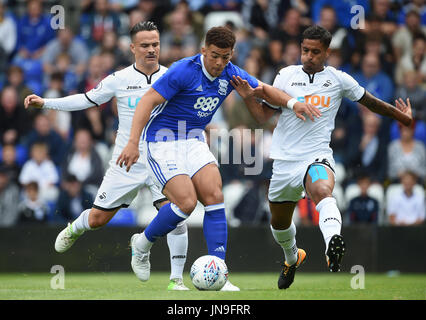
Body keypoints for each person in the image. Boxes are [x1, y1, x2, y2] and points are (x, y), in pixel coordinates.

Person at [116, 26, 319, 291]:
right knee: (187, 203)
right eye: (214, 56)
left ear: (231, 54)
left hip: (194, 140)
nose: (219, 63)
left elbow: (265, 90)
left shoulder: (231, 72)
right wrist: (132, 142)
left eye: (225, 57)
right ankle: (142, 243)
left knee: (214, 196)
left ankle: (219, 274)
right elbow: (146, 102)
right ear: (203, 51)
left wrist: (293, 104)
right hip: (163, 139)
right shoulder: (183, 70)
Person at [230, 25, 412, 289]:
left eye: (315, 52)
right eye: (305, 50)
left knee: (323, 191)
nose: (308, 56)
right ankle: (292, 258)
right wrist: (248, 98)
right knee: (279, 225)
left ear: (327, 52)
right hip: (283, 162)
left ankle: (332, 244)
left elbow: (370, 101)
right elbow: (262, 117)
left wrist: (401, 116)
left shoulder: (338, 80)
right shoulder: (285, 76)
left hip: (316, 157)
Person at [24, 21, 189, 291]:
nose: (151, 50)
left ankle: (176, 280)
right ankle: (75, 228)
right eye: (145, 45)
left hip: (163, 160)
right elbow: (86, 99)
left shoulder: (171, 77)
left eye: (155, 44)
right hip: (127, 161)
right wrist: (47, 102)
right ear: (132, 47)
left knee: (177, 214)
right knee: (98, 220)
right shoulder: (119, 79)